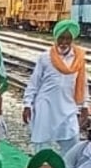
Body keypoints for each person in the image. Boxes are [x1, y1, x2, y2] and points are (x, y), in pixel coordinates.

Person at [24, 20, 87, 150]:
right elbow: (34, 82)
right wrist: (27, 104)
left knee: (72, 142)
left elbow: (83, 84)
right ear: (56, 37)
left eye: (68, 38)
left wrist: (85, 105)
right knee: (42, 143)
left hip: (68, 106)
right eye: (61, 38)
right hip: (45, 105)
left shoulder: (78, 58)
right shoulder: (45, 57)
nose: (64, 42)